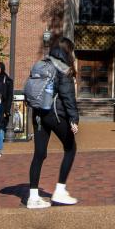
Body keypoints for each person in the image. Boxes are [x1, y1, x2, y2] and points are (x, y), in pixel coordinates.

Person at [25, 36, 80, 209]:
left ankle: (33, 197)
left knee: (39, 154)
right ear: (68, 51)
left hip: (38, 114)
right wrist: (74, 119)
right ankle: (60, 191)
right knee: (70, 148)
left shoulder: (42, 63)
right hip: (55, 115)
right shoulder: (63, 68)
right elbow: (67, 96)